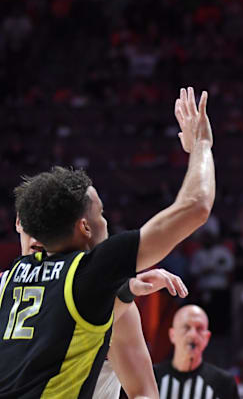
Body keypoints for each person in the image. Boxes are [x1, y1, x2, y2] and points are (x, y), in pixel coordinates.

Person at [0, 86, 215, 399]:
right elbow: (194, 207)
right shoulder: (90, 273)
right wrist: (202, 144)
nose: (106, 221)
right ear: (84, 226)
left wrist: (127, 289)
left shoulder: (11, 281)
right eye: (101, 213)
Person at [10, 216, 186, 399]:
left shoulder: (108, 301)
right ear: (18, 222)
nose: (40, 235)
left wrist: (126, 292)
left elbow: (144, 393)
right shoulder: (4, 287)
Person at [154, 305, 239, 399]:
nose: (193, 334)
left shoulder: (224, 383)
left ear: (207, 338)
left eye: (199, 329)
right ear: (172, 335)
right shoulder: (152, 377)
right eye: (186, 327)